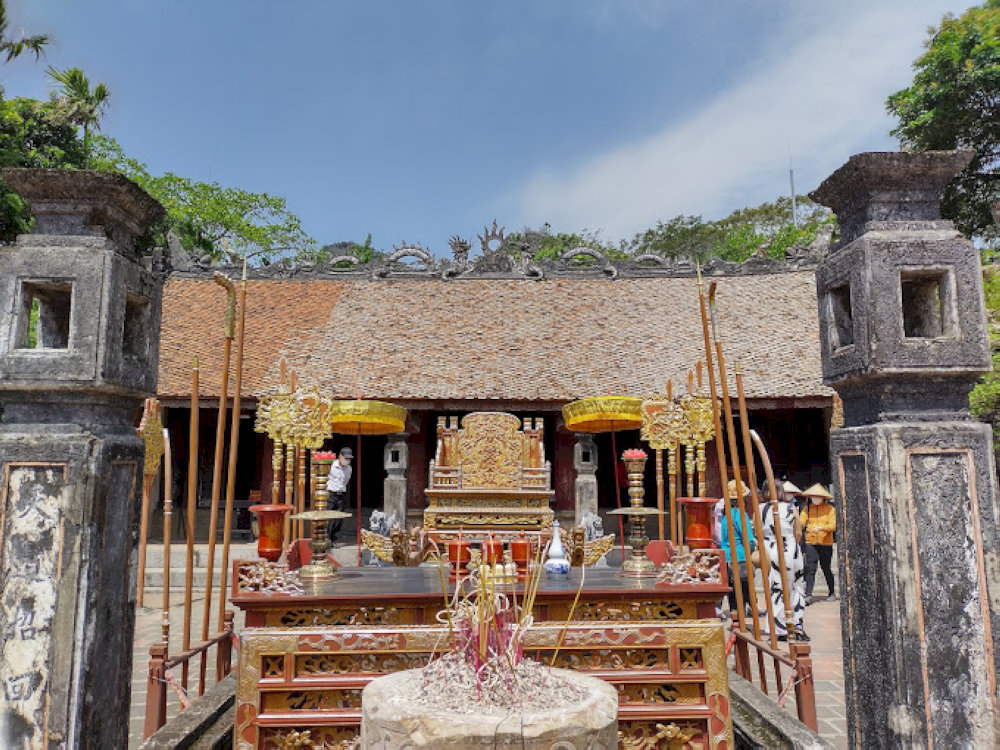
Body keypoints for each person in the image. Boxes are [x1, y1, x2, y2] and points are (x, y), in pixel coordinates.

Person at [760, 484, 808, 641]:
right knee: (796, 587)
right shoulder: (790, 508)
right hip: (791, 550)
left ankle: (779, 627)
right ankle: (796, 625)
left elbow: (757, 532)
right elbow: (798, 531)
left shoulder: (760, 509)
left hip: (770, 550)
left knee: (776, 589)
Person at [719, 479, 755, 615]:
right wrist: (752, 548)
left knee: (733, 592)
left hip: (727, 557)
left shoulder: (725, 515)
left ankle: (735, 618)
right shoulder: (740, 514)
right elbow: (748, 539)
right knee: (744, 590)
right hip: (740, 556)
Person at [799, 483, 836, 605]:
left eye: (817, 496)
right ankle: (808, 594)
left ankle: (831, 592)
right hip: (811, 542)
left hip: (826, 543)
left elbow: (833, 526)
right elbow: (801, 523)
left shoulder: (830, 509)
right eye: (813, 496)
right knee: (810, 568)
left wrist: (820, 528)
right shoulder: (807, 509)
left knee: (826, 568)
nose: (815, 498)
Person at [325, 447, 353, 541]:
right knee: (328, 517)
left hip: (341, 494)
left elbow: (346, 481)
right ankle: (326, 538)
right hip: (331, 494)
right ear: (340, 456)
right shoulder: (331, 465)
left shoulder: (349, 469)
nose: (347, 460)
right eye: (346, 458)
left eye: (349, 459)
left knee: (339, 518)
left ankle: (333, 538)